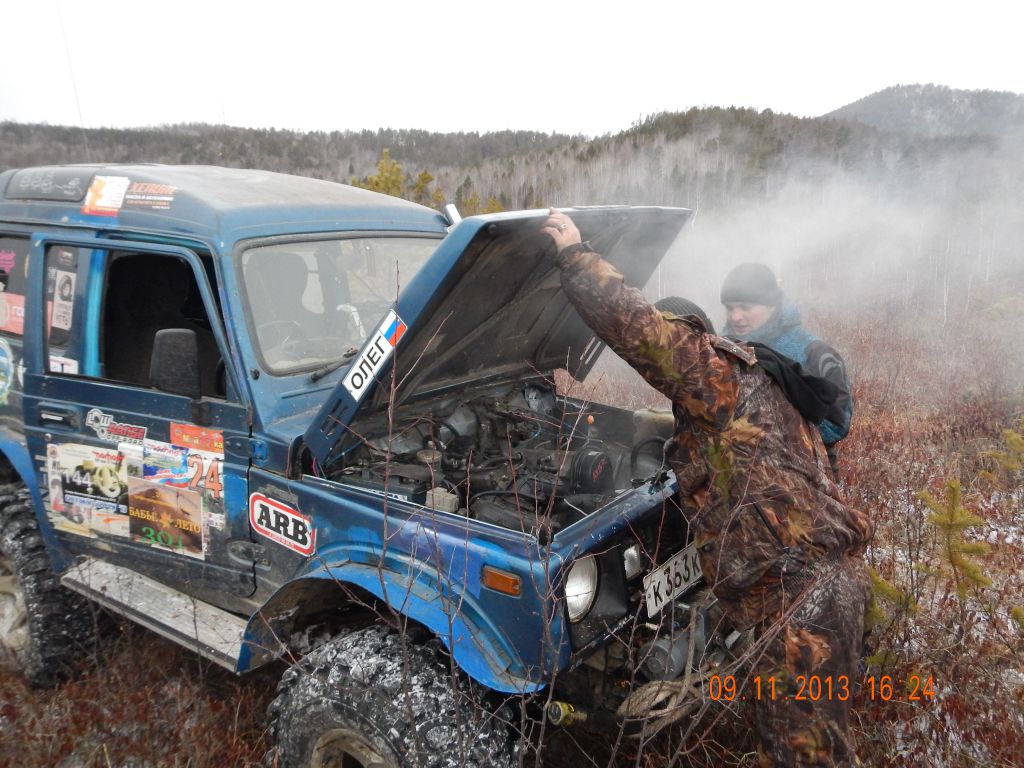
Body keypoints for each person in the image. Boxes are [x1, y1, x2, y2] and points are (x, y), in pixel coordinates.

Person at [541, 209, 873, 768]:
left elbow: (638, 330)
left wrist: (575, 256)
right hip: (823, 587)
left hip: (799, 606)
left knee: (807, 756)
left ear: (689, 344)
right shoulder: (758, 380)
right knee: (808, 745)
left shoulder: (713, 372)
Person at [720, 263, 852, 475]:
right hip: (731, 476)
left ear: (772, 305)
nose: (735, 316)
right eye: (730, 308)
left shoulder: (813, 353)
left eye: (745, 307)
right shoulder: (721, 350)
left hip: (804, 479)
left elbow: (837, 423)